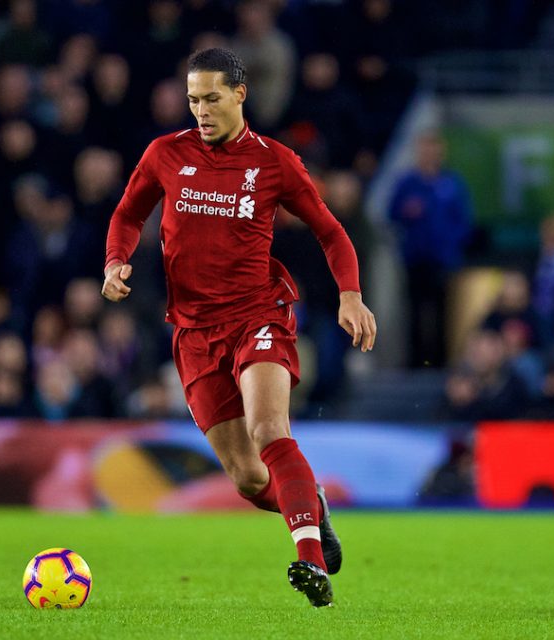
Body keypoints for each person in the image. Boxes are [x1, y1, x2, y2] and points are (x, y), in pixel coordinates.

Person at [102, 48, 376, 607]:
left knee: (269, 431)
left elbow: (331, 230)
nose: (201, 110)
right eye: (193, 100)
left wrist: (351, 295)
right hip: (193, 333)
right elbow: (128, 214)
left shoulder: (274, 162)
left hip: (258, 315)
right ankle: (312, 504)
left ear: (240, 94)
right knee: (250, 480)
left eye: (211, 98)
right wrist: (114, 261)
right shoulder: (165, 154)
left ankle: (309, 561)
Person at [388, 130, 473, 368]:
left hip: (442, 259)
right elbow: (392, 213)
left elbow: (463, 221)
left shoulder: (452, 183)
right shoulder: (407, 183)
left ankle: (439, 361)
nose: (429, 155)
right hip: (414, 258)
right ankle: (415, 361)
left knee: (442, 310)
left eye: (433, 149)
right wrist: (407, 211)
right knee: (414, 310)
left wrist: (451, 245)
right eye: (425, 149)